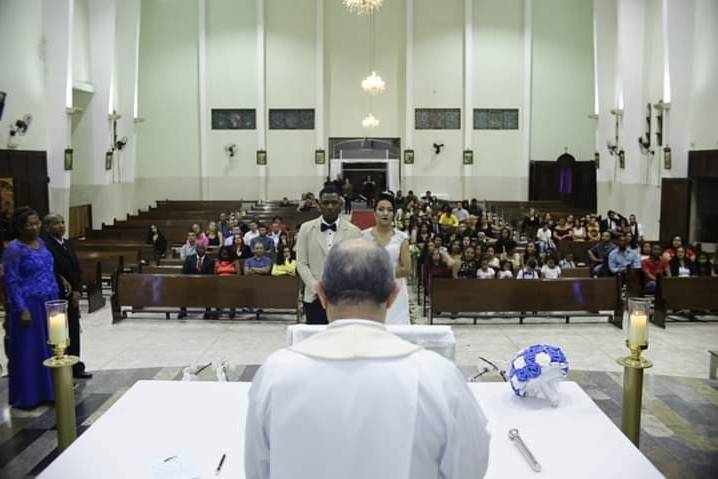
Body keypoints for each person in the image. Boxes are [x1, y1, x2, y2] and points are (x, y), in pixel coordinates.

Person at [245, 239, 490, 479]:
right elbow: (470, 464)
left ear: (320, 294)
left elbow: (257, 469)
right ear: (393, 296)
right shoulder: (438, 376)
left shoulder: (275, 373)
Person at [3, 207, 58, 408]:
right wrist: (21, 308)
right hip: (29, 304)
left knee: (50, 348)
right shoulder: (14, 249)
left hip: (49, 301)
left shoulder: (42, 243)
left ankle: (49, 391)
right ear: (19, 227)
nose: (35, 228)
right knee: (30, 350)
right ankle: (28, 396)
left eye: (37, 223)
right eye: (30, 224)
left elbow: (47, 268)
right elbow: (11, 281)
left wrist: (60, 282)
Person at [296, 186, 362, 324]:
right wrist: (315, 286)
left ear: (341, 204)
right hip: (314, 297)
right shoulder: (306, 229)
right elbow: (301, 262)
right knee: (317, 341)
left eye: (334, 202)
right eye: (326, 203)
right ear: (319, 205)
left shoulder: (354, 232)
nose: (330, 206)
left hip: (344, 299)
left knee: (342, 341)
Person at [41, 214, 91, 379]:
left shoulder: (67, 244)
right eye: (56, 223)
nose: (61, 226)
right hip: (58, 296)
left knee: (74, 331)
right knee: (60, 333)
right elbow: (52, 270)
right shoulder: (46, 246)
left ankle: (76, 365)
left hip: (72, 295)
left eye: (62, 222)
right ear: (47, 228)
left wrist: (78, 290)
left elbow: (76, 269)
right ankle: (63, 367)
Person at [363, 193, 412, 325]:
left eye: (389, 210)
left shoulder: (402, 237)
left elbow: (407, 269)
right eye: (381, 209)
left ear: (394, 214)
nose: (385, 213)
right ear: (374, 213)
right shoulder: (363, 236)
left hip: (396, 292)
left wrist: (382, 273)